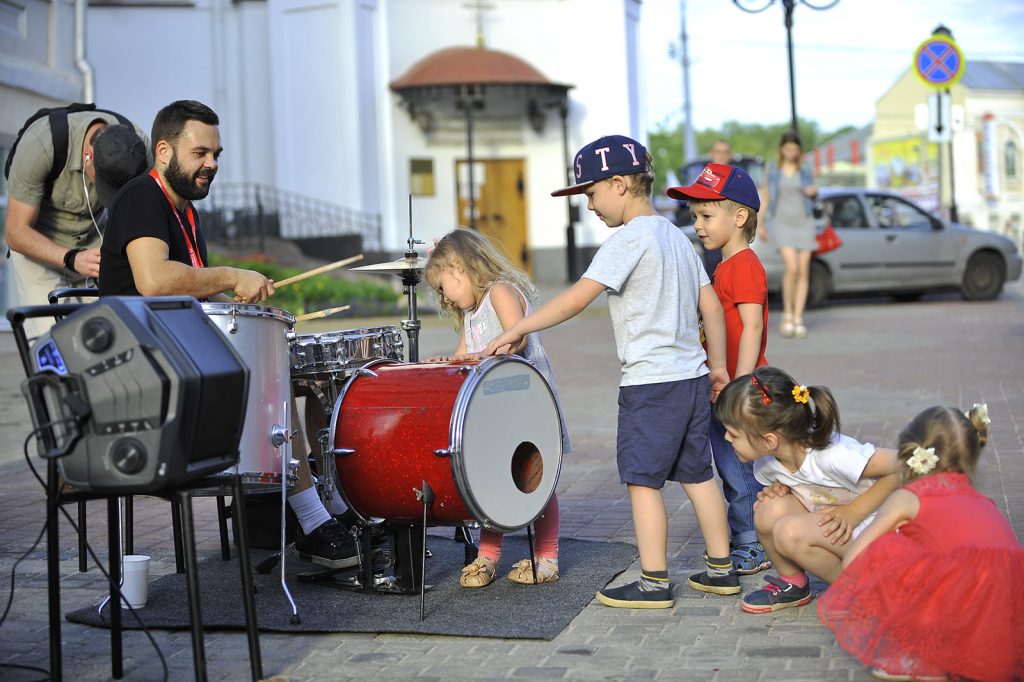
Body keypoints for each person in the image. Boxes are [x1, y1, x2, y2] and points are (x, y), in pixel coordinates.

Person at [98, 99, 356, 568]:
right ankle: (315, 522)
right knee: (272, 385)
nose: (211, 164)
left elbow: (196, 296)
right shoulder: (141, 198)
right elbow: (154, 280)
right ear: (163, 150)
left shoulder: (187, 215)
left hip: (182, 361)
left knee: (318, 379)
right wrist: (231, 275)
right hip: (142, 378)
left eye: (216, 154)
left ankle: (336, 508)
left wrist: (239, 306)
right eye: (200, 153)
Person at [485, 134, 736, 609]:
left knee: (642, 482)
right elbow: (712, 308)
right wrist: (718, 367)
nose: (590, 205)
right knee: (699, 476)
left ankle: (653, 581)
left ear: (619, 184)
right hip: (691, 377)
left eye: (592, 193)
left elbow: (577, 298)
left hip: (649, 383)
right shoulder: (678, 238)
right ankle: (721, 570)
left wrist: (519, 326)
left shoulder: (628, 240)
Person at [819, 404, 1024, 682]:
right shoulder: (983, 502)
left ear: (910, 451)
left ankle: (925, 659)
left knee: (888, 549)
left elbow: (854, 558)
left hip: (964, 598)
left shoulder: (909, 496)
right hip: (1008, 612)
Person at [424, 228, 571, 587]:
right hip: (494, 414)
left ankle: (546, 555)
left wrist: (477, 355)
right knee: (490, 481)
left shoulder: (501, 292)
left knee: (535, 479)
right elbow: (463, 355)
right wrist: (444, 364)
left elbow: (515, 338)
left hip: (526, 405)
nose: (445, 299)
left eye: (444, 287)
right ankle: (488, 556)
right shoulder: (472, 312)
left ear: (459, 266)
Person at [713, 366, 903, 614]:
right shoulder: (768, 462)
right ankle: (793, 584)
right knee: (768, 511)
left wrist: (855, 511)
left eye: (734, 433)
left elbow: (905, 466)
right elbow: (801, 485)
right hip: (843, 531)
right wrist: (782, 489)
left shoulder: (831, 455)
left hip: (885, 533)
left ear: (769, 440)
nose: (726, 439)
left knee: (788, 532)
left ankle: (872, 591)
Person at [666, 163, 770, 576]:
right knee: (731, 467)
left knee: (738, 470)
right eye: (695, 218)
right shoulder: (726, 266)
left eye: (706, 216)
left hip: (738, 390)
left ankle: (752, 544)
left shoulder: (744, 264)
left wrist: (739, 386)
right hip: (723, 385)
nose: (698, 226)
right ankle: (748, 536)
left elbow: (753, 326)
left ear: (739, 217)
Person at [5, 107, 149, 337]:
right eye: (105, 184)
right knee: (55, 338)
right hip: (39, 243)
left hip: (94, 240)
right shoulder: (41, 145)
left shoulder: (140, 148)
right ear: (88, 156)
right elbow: (15, 232)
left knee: (109, 335)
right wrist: (71, 258)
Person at [758, 131, 817, 338]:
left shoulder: (806, 169)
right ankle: (788, 313)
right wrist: (761, 223)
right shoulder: (773, 169)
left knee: (803, 271)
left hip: (805, 221)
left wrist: (813, 191)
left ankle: (798, 317)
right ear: (782, 149)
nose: (791, 152)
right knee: (791, 268)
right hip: (782, 222)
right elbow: (766, 197)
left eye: (795, 149)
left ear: (799, 150)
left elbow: (814, 191)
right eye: (788, 148)